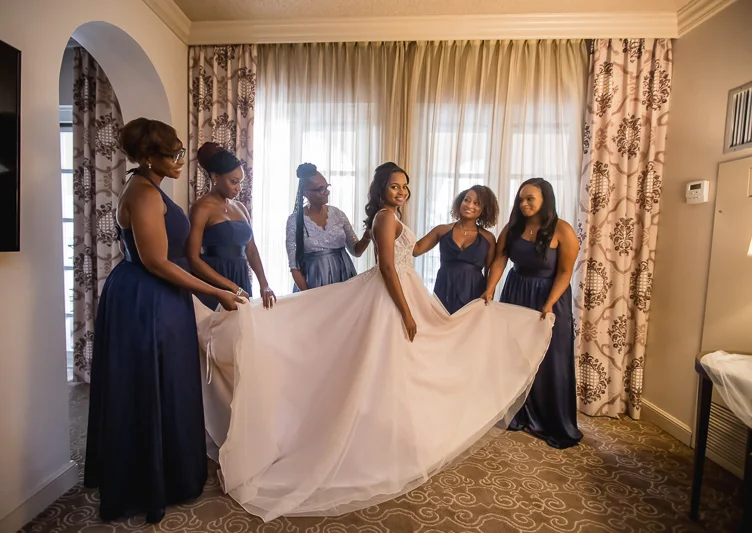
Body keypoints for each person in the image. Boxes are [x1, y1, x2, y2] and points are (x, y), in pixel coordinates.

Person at [194, 162, 555, 522]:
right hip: (390, 298)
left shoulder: (391, 217)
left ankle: (395, 434)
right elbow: (386, 266)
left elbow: (386, 254)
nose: (401, 192)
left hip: (404, 292)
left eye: (404, 186)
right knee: (381, 365)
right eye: (395, 186)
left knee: (401, 367)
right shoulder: (384, 217)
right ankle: (375, 439)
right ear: (382, 188)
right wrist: (406, 312)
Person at [84, 119, 244, 524]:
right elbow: (156, 261)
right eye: (171, 155)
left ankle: (170, 473)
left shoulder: (151, 188)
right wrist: (216, 291)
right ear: (147, 157)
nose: (179, 160)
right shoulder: (141, 192)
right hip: (146, 297)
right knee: (153, 383)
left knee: (169, 380)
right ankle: (150, 481)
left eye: (179, 152)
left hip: (160, 294)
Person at [482, 177, 583, 449]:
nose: (523, 204)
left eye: (530, 199)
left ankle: (551, 421)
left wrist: (549, 304)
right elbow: (500, 258)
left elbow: (565, 272)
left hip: (549, 298)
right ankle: (518, 413)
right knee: (515, 355)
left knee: (550, 358)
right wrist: (490, 289)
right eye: (521, 199)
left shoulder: (562, 230)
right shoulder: (513, 227)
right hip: (516, 293)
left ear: (545, 200)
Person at [186, 142, 276, 310]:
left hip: (241, 277)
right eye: (234, 182)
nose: (238, 188)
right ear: (215, 177)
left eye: (240, 182)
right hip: (214, 281)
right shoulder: (202, 208)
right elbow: (193, 259)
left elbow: (251, 250)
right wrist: (233, 287)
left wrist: (264, 284)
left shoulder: (240, 207)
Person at [286, 162, 371, 291]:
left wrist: (367, 236)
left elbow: (356, 251)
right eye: (321, 189)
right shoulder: (294, 221)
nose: (327, 192)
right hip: (313, 283)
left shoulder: (338, 214)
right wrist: (308, 295)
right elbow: (294, 267)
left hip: (344, 278)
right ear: (305, 192)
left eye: (327, 187)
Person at [413, 185, 497, 314]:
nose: (469, 205)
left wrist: (488, 300)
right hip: (444, 290)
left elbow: (490, 274)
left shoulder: (489, 238)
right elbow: (416, 250)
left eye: (476, 203)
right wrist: (395, 227)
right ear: (460, 202)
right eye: (466, 200)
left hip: (473, 293)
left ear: (484, 209)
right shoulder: (441, 230)